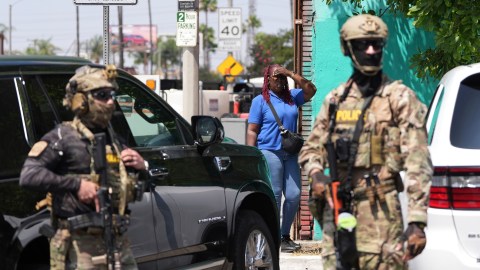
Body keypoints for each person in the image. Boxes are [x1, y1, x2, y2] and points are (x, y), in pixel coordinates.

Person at [299, 14, 433, 269]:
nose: (371, 51)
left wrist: (417, 221)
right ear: (347, 48)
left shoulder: (400, 98)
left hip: (381, 214)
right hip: (338, 213)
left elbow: (418, 160)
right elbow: (311, 148)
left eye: (376, 44)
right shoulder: (336, 101)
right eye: (362, 44)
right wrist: (316, 173)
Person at [19, 65, 148, 269]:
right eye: (102, 95)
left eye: (111, 95)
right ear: (81, 100)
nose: (110, 101)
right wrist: (77, 185)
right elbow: (29, 175)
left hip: (116, 241)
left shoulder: (113, 139)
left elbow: (139, 183)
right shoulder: (62, 137)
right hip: (80, 244)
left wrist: (142, 166)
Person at [247, 64, 317, 252]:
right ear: (267, 80)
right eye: (276, 77)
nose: (280, 81)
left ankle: (284, 236)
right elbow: (252, 130)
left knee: (294, 195)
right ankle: (272, 237)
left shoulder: (292, 97)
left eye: (282, 77)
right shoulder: (260, 101)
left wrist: (289, 73)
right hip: (269, 151)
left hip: (290, 153)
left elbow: (311, 90)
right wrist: (251, 155)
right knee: (275, 195)